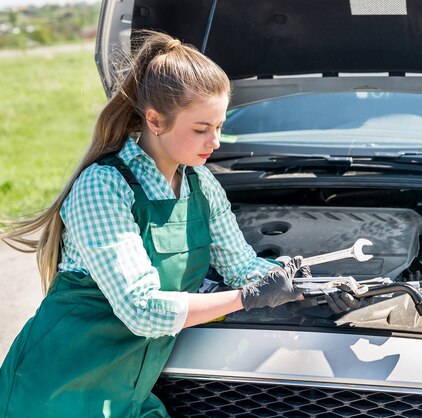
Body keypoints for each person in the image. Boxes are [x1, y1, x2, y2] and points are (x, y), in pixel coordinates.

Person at [0, 31, 304, 417]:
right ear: (156, 121)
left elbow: (242, 267)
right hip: (58, 391)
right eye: (201, 129)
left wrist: (300, 284)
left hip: (129, 392)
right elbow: (141, 310)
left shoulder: (200, 185)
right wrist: (246, 298)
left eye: (220, 126)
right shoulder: (103, 186)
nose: (216, 141)